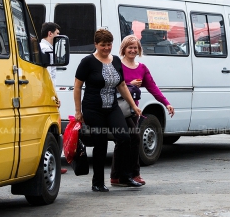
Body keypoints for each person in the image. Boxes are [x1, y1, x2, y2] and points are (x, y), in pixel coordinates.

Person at [74, 28, 143, 192]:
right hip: (93, 109)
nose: (106, 48)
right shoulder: (87, 62)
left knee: (125, 137)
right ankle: (97, 182)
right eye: (103, 45)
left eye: (109, 45)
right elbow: (77, 87)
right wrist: (78, 111)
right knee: (101, 143)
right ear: (96, 44)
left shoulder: (117, 61)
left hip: (112, 107)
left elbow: (122, 85)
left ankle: (124, 176)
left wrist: (133, 105)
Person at [110, 35, 175, 186]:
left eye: (135, 48)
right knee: (132, 138)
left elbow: (153, 88)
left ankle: (120, 176)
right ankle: (131, 174)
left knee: (126, 142)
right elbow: (112, 86)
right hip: (119, 109)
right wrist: (129, 84)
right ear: (124, 50)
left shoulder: (142, 68)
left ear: (139, 50)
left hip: (134, 110)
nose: (132, 50)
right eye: (129, 48)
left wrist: (166, 103)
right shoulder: (117, 65)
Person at [39, 22, 68, 174]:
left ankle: (55, 160)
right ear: (50, 34)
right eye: (57, 33)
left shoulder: (47, 49)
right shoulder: (45, 50)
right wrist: (53, 96)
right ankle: (53, 160)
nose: (58, 36)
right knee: (53, 129)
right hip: (47, 95)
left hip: (49, 93)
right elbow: (47, 76)